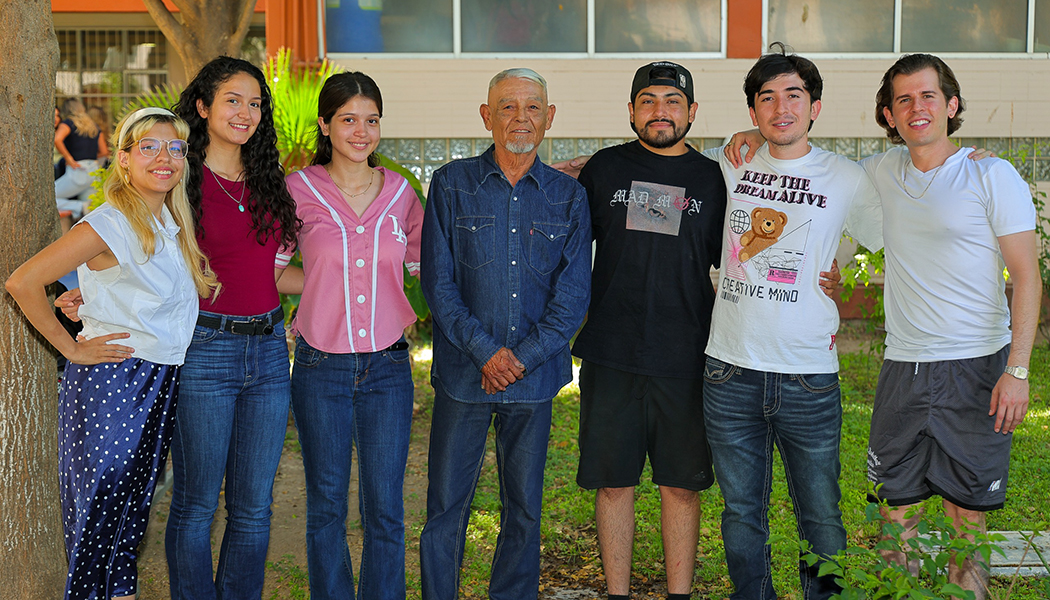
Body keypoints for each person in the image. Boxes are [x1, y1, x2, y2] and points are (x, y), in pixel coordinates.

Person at [62, 57, 303, 599]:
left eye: (255, 103)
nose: (246, 112)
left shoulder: (270, 182)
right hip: (204, 349)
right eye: (233, 100)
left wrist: (337, 287)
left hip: (268, 350)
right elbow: (130, 250)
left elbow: (266, 272)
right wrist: (90, 294)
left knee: (254, 506)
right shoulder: (175, 177)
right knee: (196, 503)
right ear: (202, 106)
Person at [7, 107, 217, 600]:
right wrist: (70, 348)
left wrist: (91, 294)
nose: (165, 158)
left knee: (129, 518)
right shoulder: (111, 222)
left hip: (160, 380)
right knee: (100, 517)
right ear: (123, 159)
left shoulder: (168, 221)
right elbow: (23, 281)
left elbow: (149, 293)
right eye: (149, 147)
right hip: (115, 383)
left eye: (176, 148)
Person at [860, 54, 1041, 599]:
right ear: (889, 115)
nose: (916, 108)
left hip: (976, 366)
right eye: (903, 99)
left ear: (951, 104)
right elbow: (806, 163)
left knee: (967, 518)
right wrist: (753, 134)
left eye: (928, 96)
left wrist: (1017, 370)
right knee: (895, 515)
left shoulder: (990, 174)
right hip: (904, 366)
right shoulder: (879, 172)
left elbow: (1027, 277)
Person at [418, 68, 591, 600]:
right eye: (507, 107)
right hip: (464, 377)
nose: (521, 117)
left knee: (525, 508)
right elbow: (438, 283)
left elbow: (573, 296)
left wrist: (519, 359)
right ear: (486, 116)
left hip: (533, 381)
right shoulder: (451, 184)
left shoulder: (568, 196)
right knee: (446, 508)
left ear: (549, 117)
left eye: (533, 107)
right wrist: (486, 353)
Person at [569, 61, 726, 600]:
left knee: (681, 487)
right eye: (649, 101)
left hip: (686, 356)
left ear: (692, 111)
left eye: (673, 101)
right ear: (632, 111)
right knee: (613, 484)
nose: (661, 111)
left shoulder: (713, 178)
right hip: (611, 353)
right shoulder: (604, 169)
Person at [279, 72, 423, 600]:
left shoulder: (402, 193)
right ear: (325, 124)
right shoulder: (297, 189)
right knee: (326, 506)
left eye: (371, 120)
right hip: (320, 367)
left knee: (385, 507)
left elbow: (428, 267)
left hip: (388, 366)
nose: (361, 132)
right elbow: (273, 272)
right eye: (348, 120)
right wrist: (325, 281)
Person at [55, 97, 109, 231]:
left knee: (47, 198)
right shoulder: (93, 126)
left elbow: (57, 139)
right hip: (94, 170)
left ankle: (79, 207)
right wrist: (89, 158)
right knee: (90, 215)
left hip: (78, 171)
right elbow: (104, 151)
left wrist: (69, 159)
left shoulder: (67, 123)